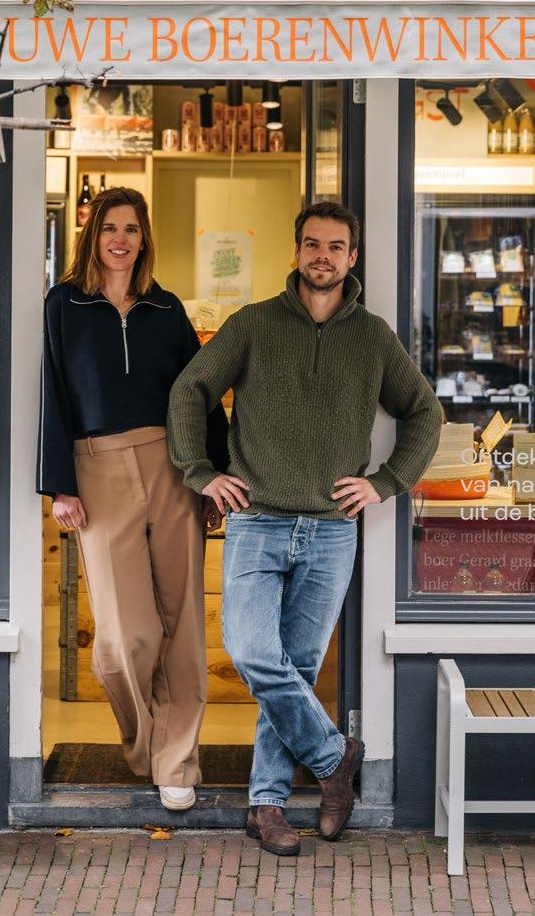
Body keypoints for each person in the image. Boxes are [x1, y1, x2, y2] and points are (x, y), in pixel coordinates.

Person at [168, 200, 442, 855]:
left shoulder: (372, 337)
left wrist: (384, 482)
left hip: (332, 530)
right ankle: (332, 758)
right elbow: (189, 391)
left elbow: (424, 412)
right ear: (296, 252)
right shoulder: (254, 324)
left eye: (336, 246)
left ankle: (266, 805)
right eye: (313, 244)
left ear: (352, 257)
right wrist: (200, 472)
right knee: (252, 653)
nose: (323, 256)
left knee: (295, 667)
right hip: (257, 521)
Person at [37, 186, 227, 813]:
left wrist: (212, 475)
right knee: (126, 638)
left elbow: (200, 394)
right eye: (110, 228)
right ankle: (147, 746)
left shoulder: (166, 309)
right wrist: (59, 484)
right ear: (92, 236)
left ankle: (178, 763)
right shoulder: (64, 304)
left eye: (132, 230)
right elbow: (51, 394)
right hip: (97, 469)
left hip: (171, 466)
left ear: (145, 239)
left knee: (183, 624)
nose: (121, 240)